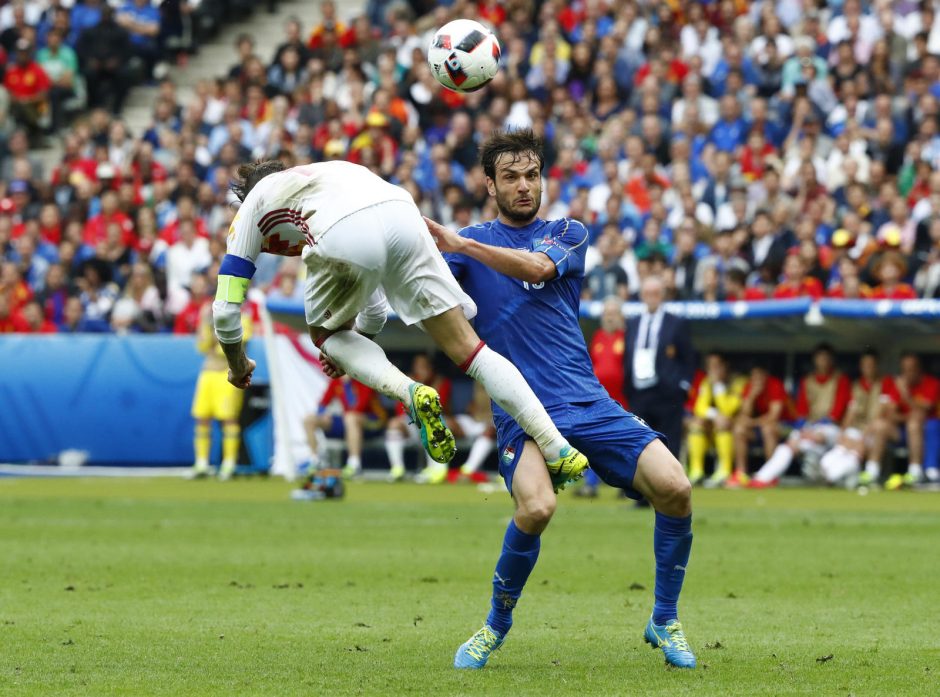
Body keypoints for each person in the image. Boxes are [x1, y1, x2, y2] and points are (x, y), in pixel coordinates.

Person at [425, 129, 696, 670]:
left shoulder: (567, 232)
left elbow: (538, 269)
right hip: (521, 409)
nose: (524, 186)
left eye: (532, 175)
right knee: (538, 506)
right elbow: (424, 295)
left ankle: (664, 619)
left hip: (587, 400)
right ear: (489, 185)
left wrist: (460, 244)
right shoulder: (466, 245)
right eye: (511, 177)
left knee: (676, 488)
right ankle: (493, 628)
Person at [214, 158, 587, 489]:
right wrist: (354, 346)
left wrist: (238, 364)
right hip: (403, 211)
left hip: (346, 229)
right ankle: (558, 449)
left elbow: (226, 311)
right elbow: (374, 311)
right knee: (470, 350)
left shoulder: (252, 209)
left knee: (324, 333)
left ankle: (413, 393)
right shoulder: (329, 174)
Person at [749, 343, 851, 488]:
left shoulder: (841, 379)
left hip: (832, 428)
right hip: (810, 427)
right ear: (815, 360)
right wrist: (805, 429)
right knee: (789, 445)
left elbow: (837, 412)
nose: (823, 361)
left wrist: (814, 430)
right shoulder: (807, 380)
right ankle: (762, 478)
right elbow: (801, 411)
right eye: (820, 358)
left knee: (816, 439)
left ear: (831, 360)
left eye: (826, 358)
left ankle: (824, 476)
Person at [624, 275, 696, 462]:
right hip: (639, 392)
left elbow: (689, 357)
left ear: (662, 295)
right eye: (647, 293)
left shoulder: (676, 323)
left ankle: (670, 486)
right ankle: (641, 486)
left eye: (655, 293)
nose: (651, 297)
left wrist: (683, 385)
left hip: (667, 392)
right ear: (641, 295)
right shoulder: (633, 323)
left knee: (669, 442)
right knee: (639, 442)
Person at [189, 302, 253, 480]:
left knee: (229, 419)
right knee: (202, 418)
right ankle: (201, 464)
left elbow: (236, 344)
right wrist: (204, 320)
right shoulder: (208, 314)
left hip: (227, 373)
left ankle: (229, 464)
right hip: (207, 373)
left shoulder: (243, 314)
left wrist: (218, 336)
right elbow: (202, 346)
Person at [818, 350, 897, 488]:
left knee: (877, 429)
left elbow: (883, 413)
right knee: (838, 451)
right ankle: (836, 476)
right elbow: (851, 412)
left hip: (879, 431)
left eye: (871, 365)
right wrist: (841, 434)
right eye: (865, 365)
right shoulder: (856, 385)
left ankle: (871, 473)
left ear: (877, 366)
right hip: (859, 430)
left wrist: (861, 440)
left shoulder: (886, 382)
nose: (868, 369)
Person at [302, 375, 388, 478]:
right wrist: (323, 414)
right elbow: (323, 402)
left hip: (374, 420)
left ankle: (354, 464)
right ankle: (315, 461)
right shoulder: (337, 380)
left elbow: (360, 406)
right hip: (349, 420)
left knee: (350, 418)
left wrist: (347, 383)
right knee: (309, 420)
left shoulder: (363, 377)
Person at [687, 352, 746, 488]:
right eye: (710, 366)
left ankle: (725, 470)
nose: (713, 370)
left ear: (725, 366)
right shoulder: (707, 383)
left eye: (716, 366)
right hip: (713, 428)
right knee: (697, 423)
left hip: (734, 427)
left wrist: (718, 386)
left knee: (723, 423)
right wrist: (715, 416)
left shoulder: (738, 382)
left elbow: (729, 409)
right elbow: (699, 407)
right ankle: (697, 471)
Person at [732, 365, 790, 485]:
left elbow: (773, 417)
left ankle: (770, 475)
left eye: (760, 375)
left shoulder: (775, 385)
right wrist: (752, 395)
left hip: (785, 427)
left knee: (768, 429)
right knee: (739, 429)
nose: (757, 379)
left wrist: (752, 422)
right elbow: (744, 414)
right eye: (754, 376)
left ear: (765, 375)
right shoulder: (749, 387)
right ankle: (741, 473)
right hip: (758, 428)